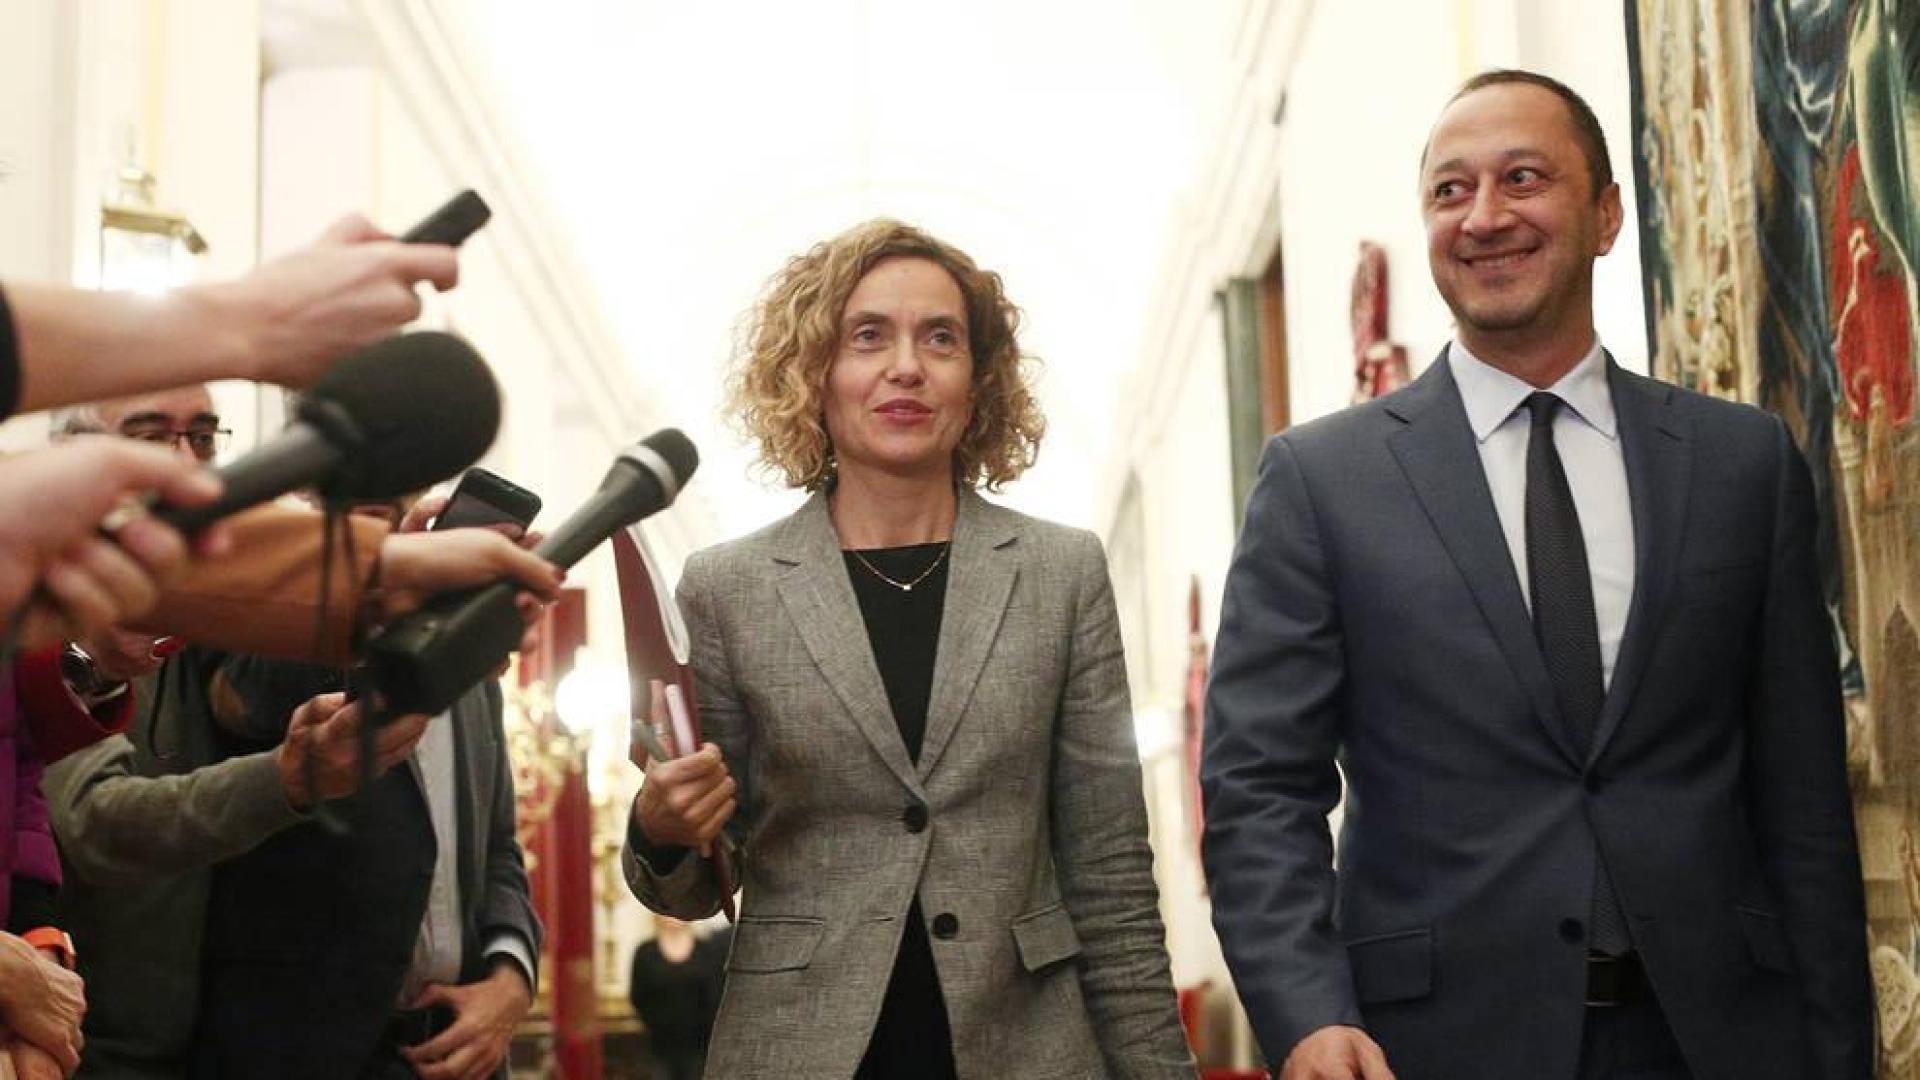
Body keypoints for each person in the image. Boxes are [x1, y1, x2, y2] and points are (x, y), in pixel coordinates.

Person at [1201, 69, 1873, 1080]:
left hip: (1721, 1039)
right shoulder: (1321, 482)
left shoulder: (1743, 465)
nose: (1483, 218)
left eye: (1523, 179)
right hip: (1434, 1048)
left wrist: (1837, 1048)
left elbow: (1804, 800)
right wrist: (1305, 1014)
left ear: (1606, 215)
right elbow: (1258, 791)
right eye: (1449, 190)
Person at [622, 219, 1194, 1079]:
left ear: (977, 380)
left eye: (940, 339)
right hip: (800, 1046)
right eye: (867, 337)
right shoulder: (726, 588)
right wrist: (660, 829)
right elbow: (703, 878)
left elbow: (1109, 872)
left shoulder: (1060, 572)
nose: (906, 366)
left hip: (1027, 1043)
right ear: (814, 374)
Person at [187, 494, 540, 1080]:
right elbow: (244, 704)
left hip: (456, 1050)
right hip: (299, 1051)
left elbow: (499, 847)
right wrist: (370, 601)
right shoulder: (259, 599)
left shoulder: (471, 648)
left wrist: (509, 978)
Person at [627, 915, 729, 1080]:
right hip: (659, 1046)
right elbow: (638, 996)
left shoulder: (707, 950)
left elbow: (716, 994)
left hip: (700, 1046)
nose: (672, 916)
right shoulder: (645, 952)